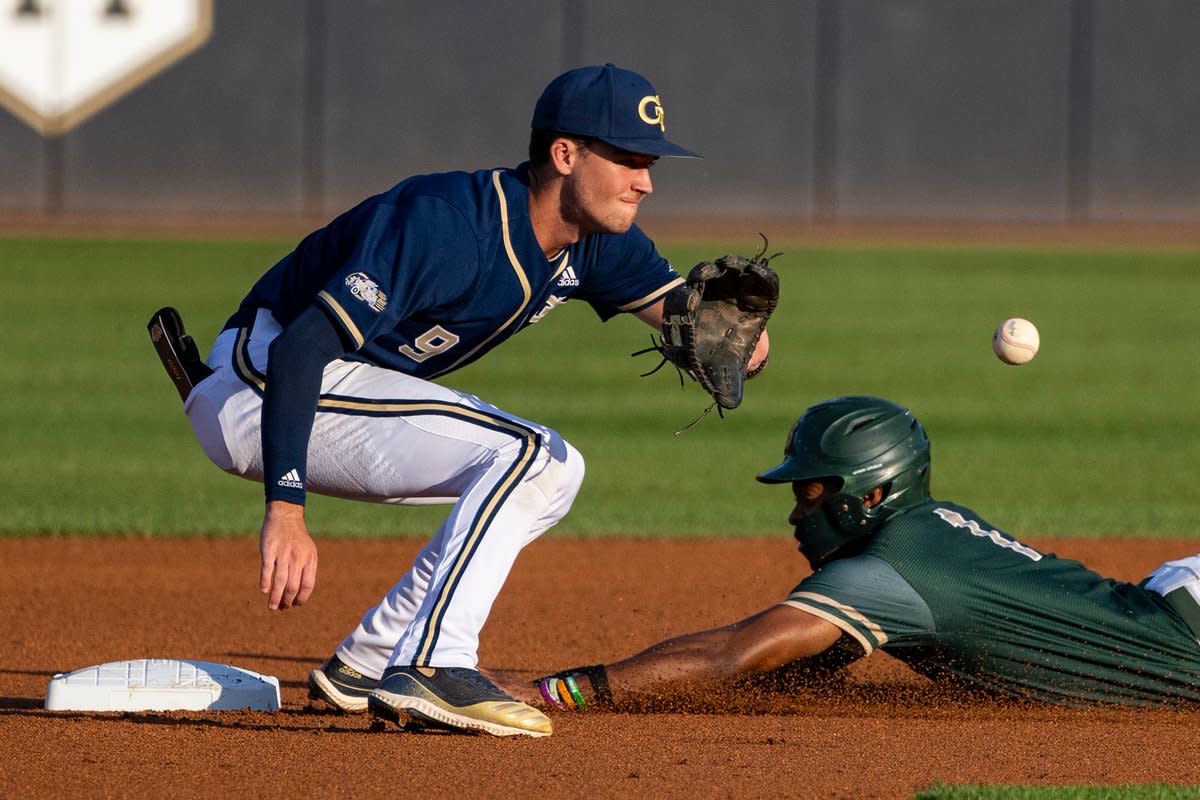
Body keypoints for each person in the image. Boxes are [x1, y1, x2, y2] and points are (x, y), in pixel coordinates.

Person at [177, 63, 768, 738]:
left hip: (340, 389)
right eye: (629, 159)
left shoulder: (599, 241)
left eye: (651, 161)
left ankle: (371, 662)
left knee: (553, 473)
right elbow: (301, 348)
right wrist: (285, 507)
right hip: (259, 386)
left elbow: (684, 317)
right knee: (528, 455)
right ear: (565, 154)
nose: (647, 180)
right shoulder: (449, 224)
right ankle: (434, 663)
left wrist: (742, 342)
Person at [528, 395, 1200, 713]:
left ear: (870, 492)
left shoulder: (885, 570)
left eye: (813, 491)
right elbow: (810, 659)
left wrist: (557, 690)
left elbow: (734, 653)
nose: (798, 514)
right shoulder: (929, 528)